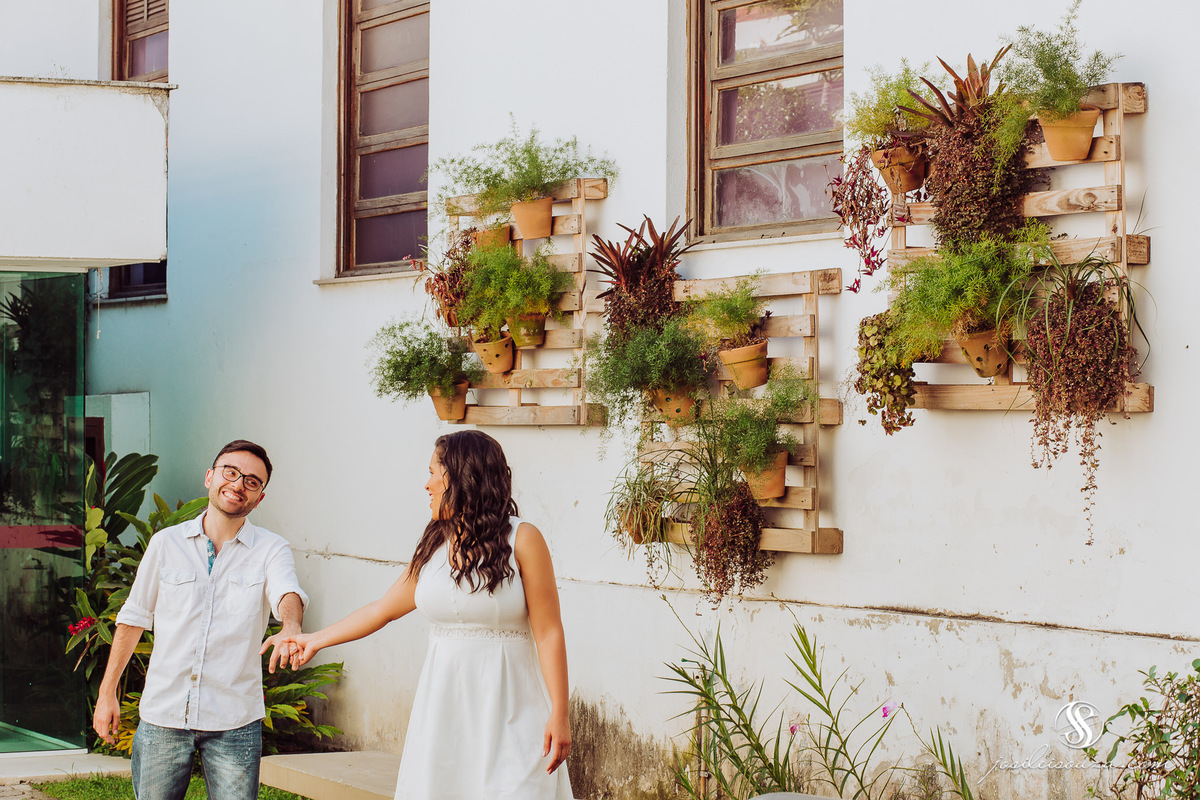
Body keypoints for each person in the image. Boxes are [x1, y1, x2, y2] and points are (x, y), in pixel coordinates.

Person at [282, 430, 573, 799]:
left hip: (512, 707)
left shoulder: (524, 538)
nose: (427, 484)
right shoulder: (435, 542)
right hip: (444, 709)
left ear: (464, 477)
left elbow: (549, 633)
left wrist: (559, 712)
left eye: (435, 472)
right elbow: (382, 609)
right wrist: (314, 640)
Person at [92, 439, 308, 800]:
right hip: (164, 714)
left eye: (252, 481)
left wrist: (291, 627)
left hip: (234, 720)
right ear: (210, 477)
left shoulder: (272, 549)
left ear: (259, 497)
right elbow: (133, 618)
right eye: (231, 472)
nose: (239, 484)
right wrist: (106, 693)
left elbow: (288, 592)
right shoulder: (166, 543)